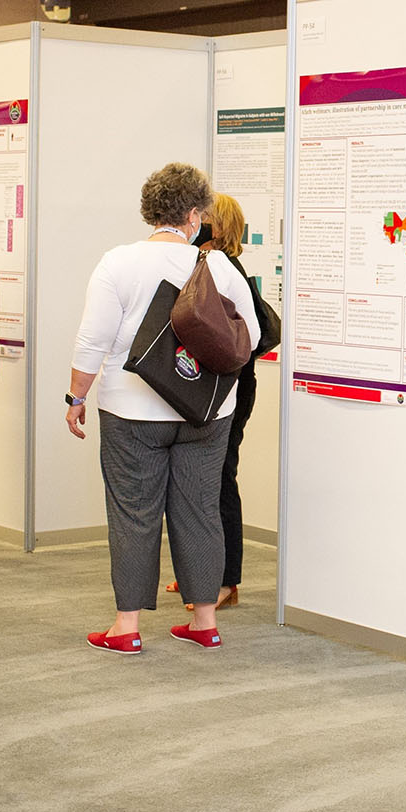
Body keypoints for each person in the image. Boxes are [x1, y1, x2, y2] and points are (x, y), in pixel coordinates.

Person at [69, 163, 258, 654]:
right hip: (205, 415)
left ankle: (126, 628)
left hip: (131, 412)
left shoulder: (117, 263)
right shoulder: (219, 267)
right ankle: (204, 622)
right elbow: (252, 335)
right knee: (201, 511)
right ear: (194, 215)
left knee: (134, 514)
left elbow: (93, 340)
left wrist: (76, 397)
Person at [167, 193, 263, 612]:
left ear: (217, 226)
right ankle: (201, 574)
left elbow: (244, 339)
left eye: (202, 217)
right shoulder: (205, 264)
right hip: (214, 387)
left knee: (221, 480)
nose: (194, 223)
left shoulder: (227, 269)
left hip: (231, 389)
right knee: (198, 484)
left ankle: (226, 580)